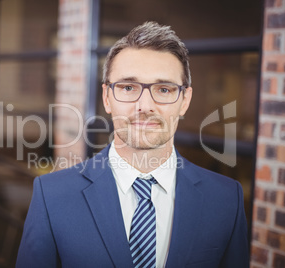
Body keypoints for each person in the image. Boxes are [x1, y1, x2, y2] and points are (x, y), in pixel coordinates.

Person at [16, 21, 249, 268]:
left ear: (184, 100)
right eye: (128, 87)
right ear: (107, 98)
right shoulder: (52, 196)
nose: (145, 106)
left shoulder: (226, 200)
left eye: (164, 89)